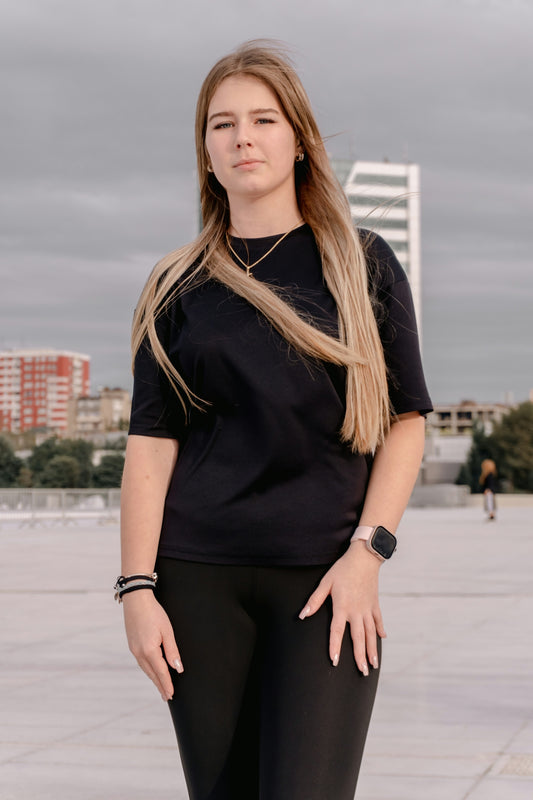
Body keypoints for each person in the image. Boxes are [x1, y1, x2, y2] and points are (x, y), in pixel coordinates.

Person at [118, 41, 432, 800]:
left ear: (298, 141)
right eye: (222, 125)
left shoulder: (361, 264)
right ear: (206, 151)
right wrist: (135, 589)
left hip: (326, 582)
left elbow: (405, 422)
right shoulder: (176, 283)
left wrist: (368, 556)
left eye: (263, 119)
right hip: (198, 585)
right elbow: (150, 452)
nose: (242, 138)